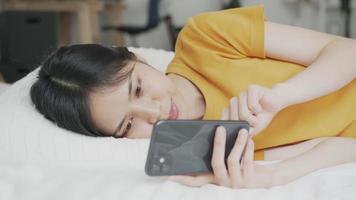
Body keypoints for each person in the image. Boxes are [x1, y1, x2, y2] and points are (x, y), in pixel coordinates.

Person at [30, 5, 356, 188]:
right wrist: (273, 175)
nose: (153, 112)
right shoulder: (198, 152)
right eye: (128, 125)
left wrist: (281, 97)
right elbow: (344, 147)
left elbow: (348, 51)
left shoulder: (205, 38)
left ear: (137, 60)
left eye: (138, 87)